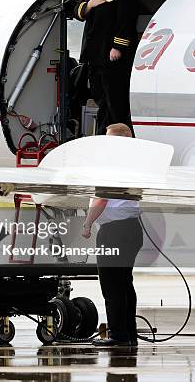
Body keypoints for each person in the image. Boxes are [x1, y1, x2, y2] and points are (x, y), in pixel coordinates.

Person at [82, 123, 142, 346]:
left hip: (114, 232)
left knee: (111, 284)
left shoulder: (110, 165)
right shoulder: (135, 164)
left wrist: (88, 224)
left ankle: (118, 334)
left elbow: (102, 199)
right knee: (125, 283)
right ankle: (128, 334)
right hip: (132, 228)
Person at [74, 0, 138, 135]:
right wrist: (90, 4)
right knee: (99, 96)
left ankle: (120, 133)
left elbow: (126, 19)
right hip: (93, 53)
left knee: (115, 98)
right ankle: (104, 133)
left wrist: (118, 46)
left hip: (110, 53)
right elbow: (77, 11)